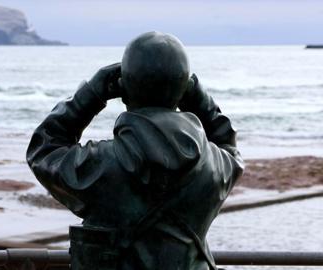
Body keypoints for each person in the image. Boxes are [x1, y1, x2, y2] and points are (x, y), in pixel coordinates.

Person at [26, 31, 244, 270]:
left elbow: (44, 150)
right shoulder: (214, 168)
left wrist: (90, 95)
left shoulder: (100, 166)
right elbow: (228, 146)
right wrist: (199, 100)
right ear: (184, 90)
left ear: (124, 90)